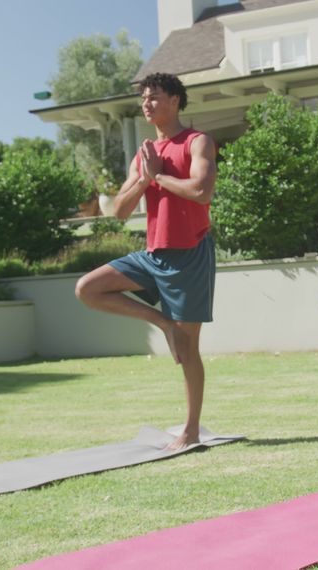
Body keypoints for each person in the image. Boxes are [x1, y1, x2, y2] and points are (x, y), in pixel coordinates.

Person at [75, 72, 218, 451]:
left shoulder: (197, 141)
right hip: (153, 253)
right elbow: (120, 212)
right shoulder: (145, 155)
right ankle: (161, 322)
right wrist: (144, 178)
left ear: (175, 101)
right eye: (143, 98)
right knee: (88, 289)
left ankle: (190, 430)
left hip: (189, 254)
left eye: (154, 97)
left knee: (188, 351)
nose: (146, 103)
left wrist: (160, 177)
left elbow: (202, 192)